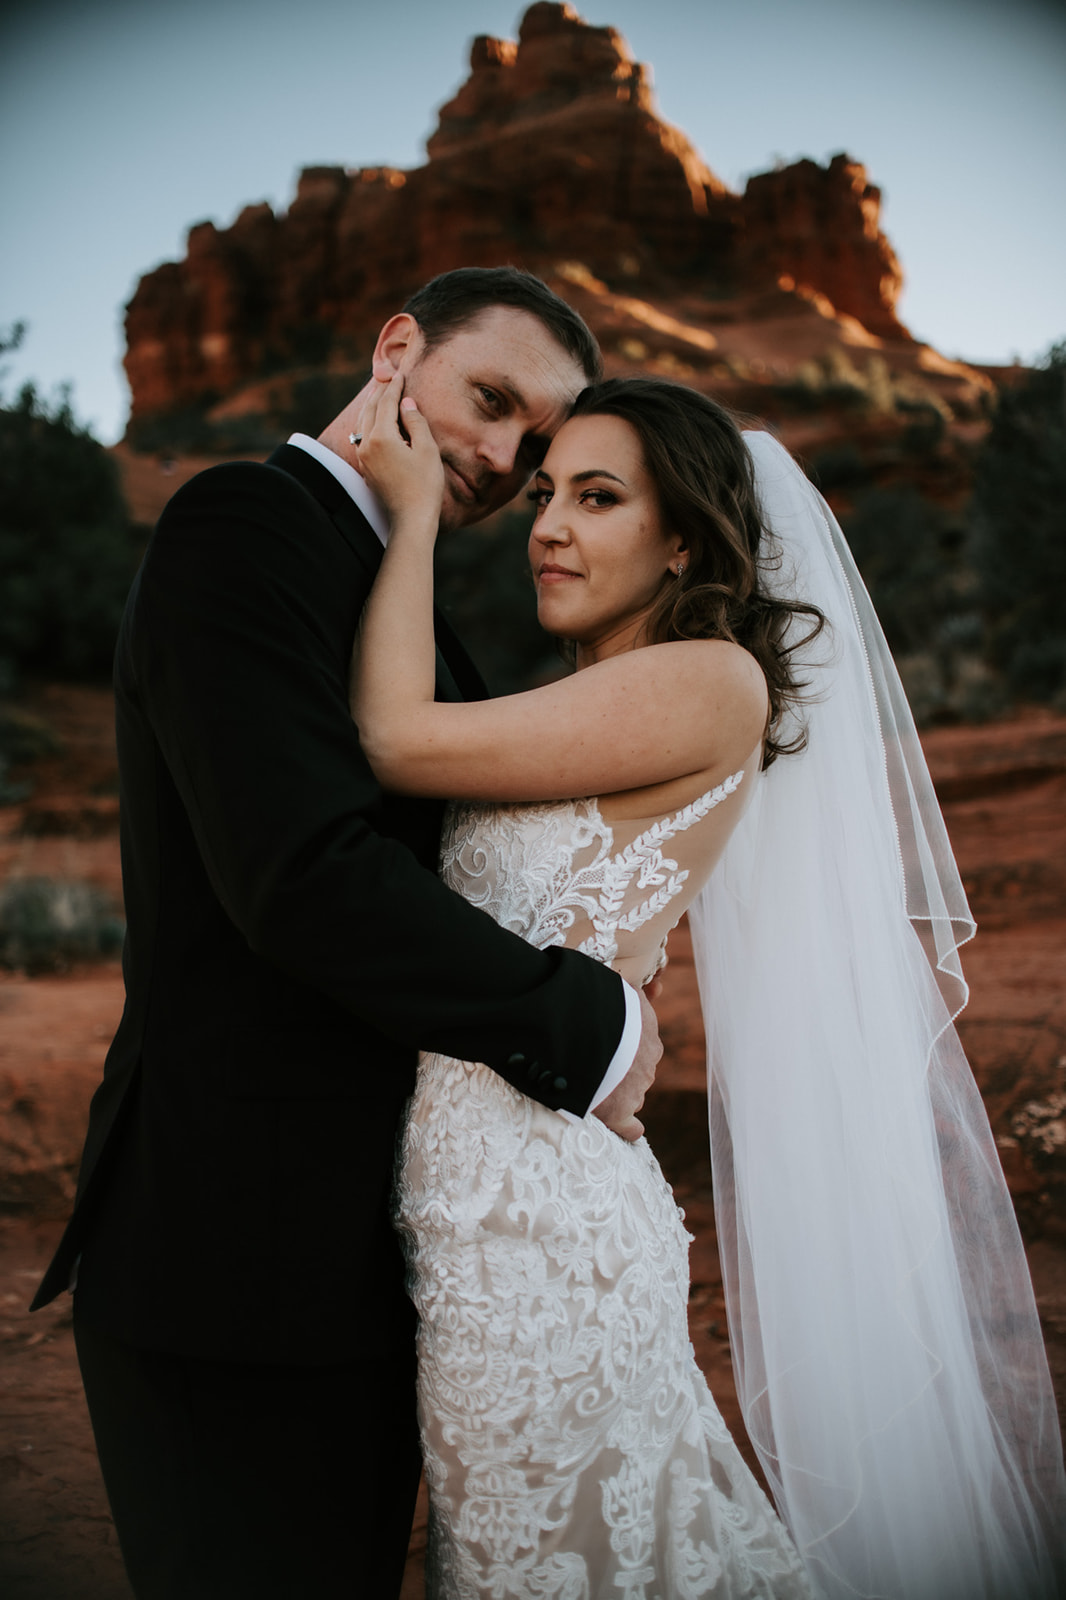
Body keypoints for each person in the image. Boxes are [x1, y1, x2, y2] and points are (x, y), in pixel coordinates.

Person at [352, 374, 1066, 1598]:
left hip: (540, 1232)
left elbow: (397, 741)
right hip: (475, 1206)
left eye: (597, 496)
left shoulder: (707, 678)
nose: (548, 526)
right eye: (542, 494)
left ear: (682, 537)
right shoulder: (586, 698)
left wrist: (412, 514)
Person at [29, 269, 665, 1600]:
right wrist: (588, 1026)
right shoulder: (243, 523)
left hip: (359, 1265)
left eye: (540, 449)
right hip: (232, 1262)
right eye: (490, 400)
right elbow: (300, 876)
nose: (503, 458)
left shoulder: (403, 594)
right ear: (396, 350)